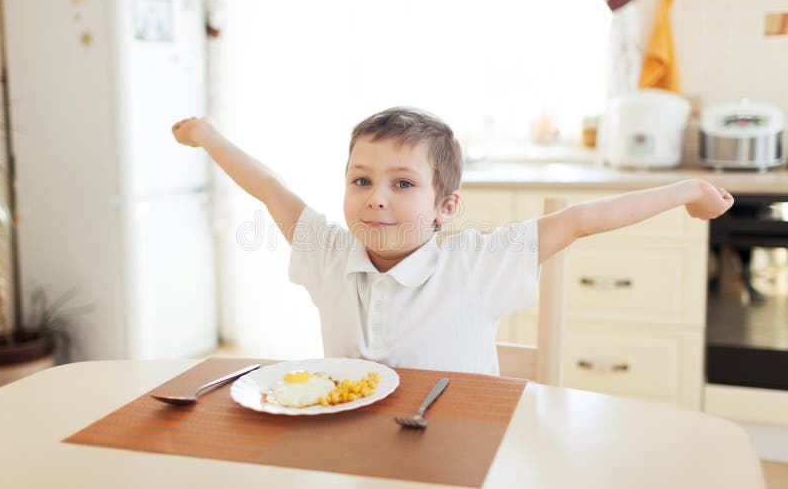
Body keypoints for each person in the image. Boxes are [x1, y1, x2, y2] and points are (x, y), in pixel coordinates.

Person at [172, 106, 734, 375]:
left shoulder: (475, 265)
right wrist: (205, 136)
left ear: (446, 209)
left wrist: (687, 190)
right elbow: (269, 187)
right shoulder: (328, 253)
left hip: (458, 446)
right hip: (353, 446)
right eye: (361, 180)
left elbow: (581, 219)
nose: (377, 198)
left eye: (403, 184)